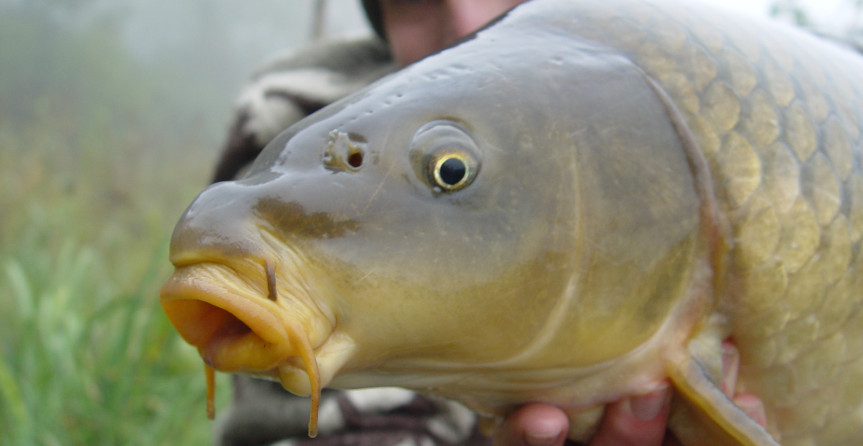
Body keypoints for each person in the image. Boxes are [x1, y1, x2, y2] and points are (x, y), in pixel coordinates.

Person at [210, 1, 766, 445]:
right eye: (415, 1)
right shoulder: (295, 121)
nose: (466, 21)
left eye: (452, 172)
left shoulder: (644, 98)